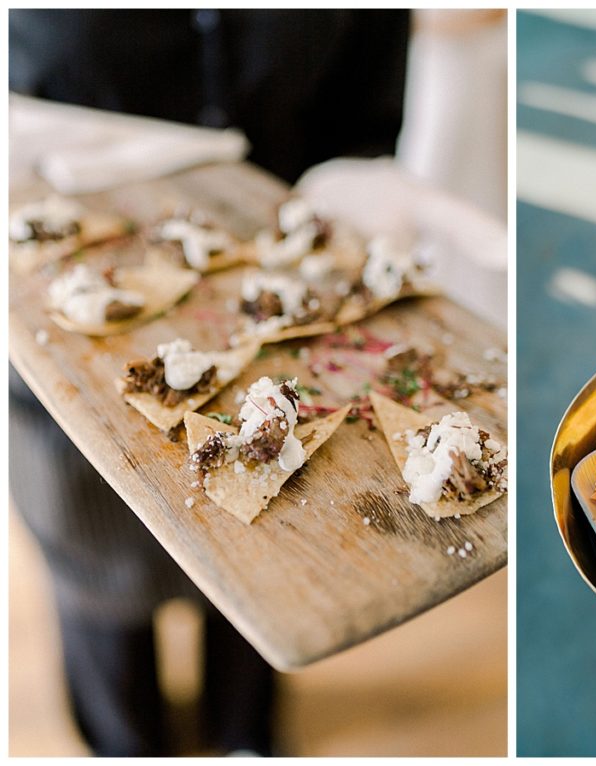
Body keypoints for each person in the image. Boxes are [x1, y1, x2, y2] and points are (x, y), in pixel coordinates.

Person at [9, 9, 410, 756]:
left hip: (285, 338)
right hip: (67, 346)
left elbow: (365, 117)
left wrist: (361, 202)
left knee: (258, 598)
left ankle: (244, 736)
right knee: (104, 598)